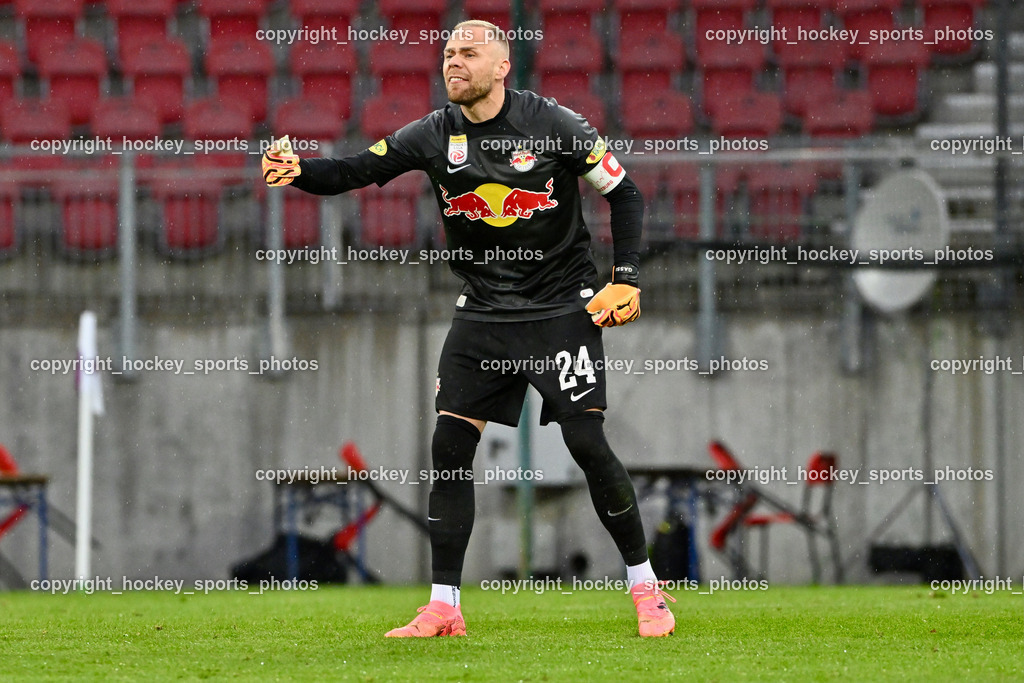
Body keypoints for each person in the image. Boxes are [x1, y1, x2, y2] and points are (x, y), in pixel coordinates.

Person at [262, 19, 675, 638]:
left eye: (469, 53)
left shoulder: (555, 126)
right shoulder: (434, 133)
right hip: (482, 310)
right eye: (448, 53)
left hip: (560, 307)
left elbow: (627, 194)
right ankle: (444, 606)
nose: (453, 63)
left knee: (587, 446)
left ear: (503, 66)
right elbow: (354, 171)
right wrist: (298, 170)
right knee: (449, 450)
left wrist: (628, 278)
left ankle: (647, 591)